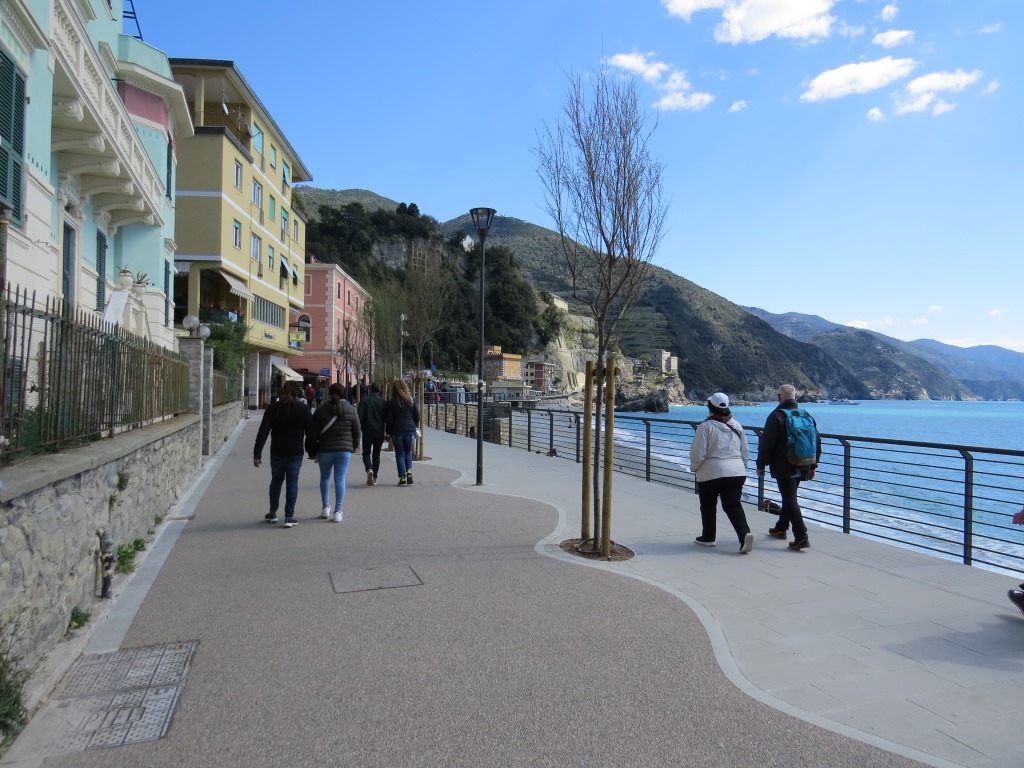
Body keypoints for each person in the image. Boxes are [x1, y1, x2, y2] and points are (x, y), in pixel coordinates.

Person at [756, 384, 821, 551]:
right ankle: (781, 528)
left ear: (779, 397)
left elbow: (766, 444)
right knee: (789, 497)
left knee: (790, 499)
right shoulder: (806, 415)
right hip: (804, 463)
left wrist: (761, 464)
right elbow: (816, 442)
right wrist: (813, 465)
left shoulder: (776, 416)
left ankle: (801, 536)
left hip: (784, 466)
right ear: (796, 397)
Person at [689, 393, 754, 554]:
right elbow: (745, 451)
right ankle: (744, 534)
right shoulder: (737, 425)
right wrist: (742, 468)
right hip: (737, 471)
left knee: (708, 505)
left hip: (712, 472)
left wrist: (694, 468)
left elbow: (698, 453)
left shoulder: (705, 427)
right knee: (733, 504)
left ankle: (709, 537)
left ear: (710, 407)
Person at [253, 380, 315, 528]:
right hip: (295, 452)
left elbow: (263, 432)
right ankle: (289, 516)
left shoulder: (272, 409)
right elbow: (311, 433)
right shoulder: (303, 409)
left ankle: (272, 512)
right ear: (298, 393)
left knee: (276, 480)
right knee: (292, 482)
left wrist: (257, 453)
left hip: (277, 451)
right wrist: (311, 451)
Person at [310, 383, 360, 522]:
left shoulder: (320, 410)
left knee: (325, 478)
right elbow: (357, 430)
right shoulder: (351, 409)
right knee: (340, 478)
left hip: (325, 449)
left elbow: (313, 432)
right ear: (343, 393)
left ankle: (326, 508)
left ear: (329, 393)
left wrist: (312, 449)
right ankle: (338, 511)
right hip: (344, 450)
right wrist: (355, 445)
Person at [385, 379, 420, 486]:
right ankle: (409, 472)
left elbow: (389, 419)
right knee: (408, 452)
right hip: (410, 430)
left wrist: (388, 432)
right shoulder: (411, 400)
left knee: (400, 454)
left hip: (397, 431)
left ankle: (402, 478)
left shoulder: (391, 402)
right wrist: (414, 426)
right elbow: (417, 416)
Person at [357, 381, 388, 486]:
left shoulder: (364, 401)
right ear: (379, 390)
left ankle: (369, 468)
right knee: (376, 454)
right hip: (379, 431)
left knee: (366, 453)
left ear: (370, 389)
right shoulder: (383, 402)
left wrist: (360, 428)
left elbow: (359, 416)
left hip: (367, 430)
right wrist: (387, 431)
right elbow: (386, 418)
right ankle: (374, 476)